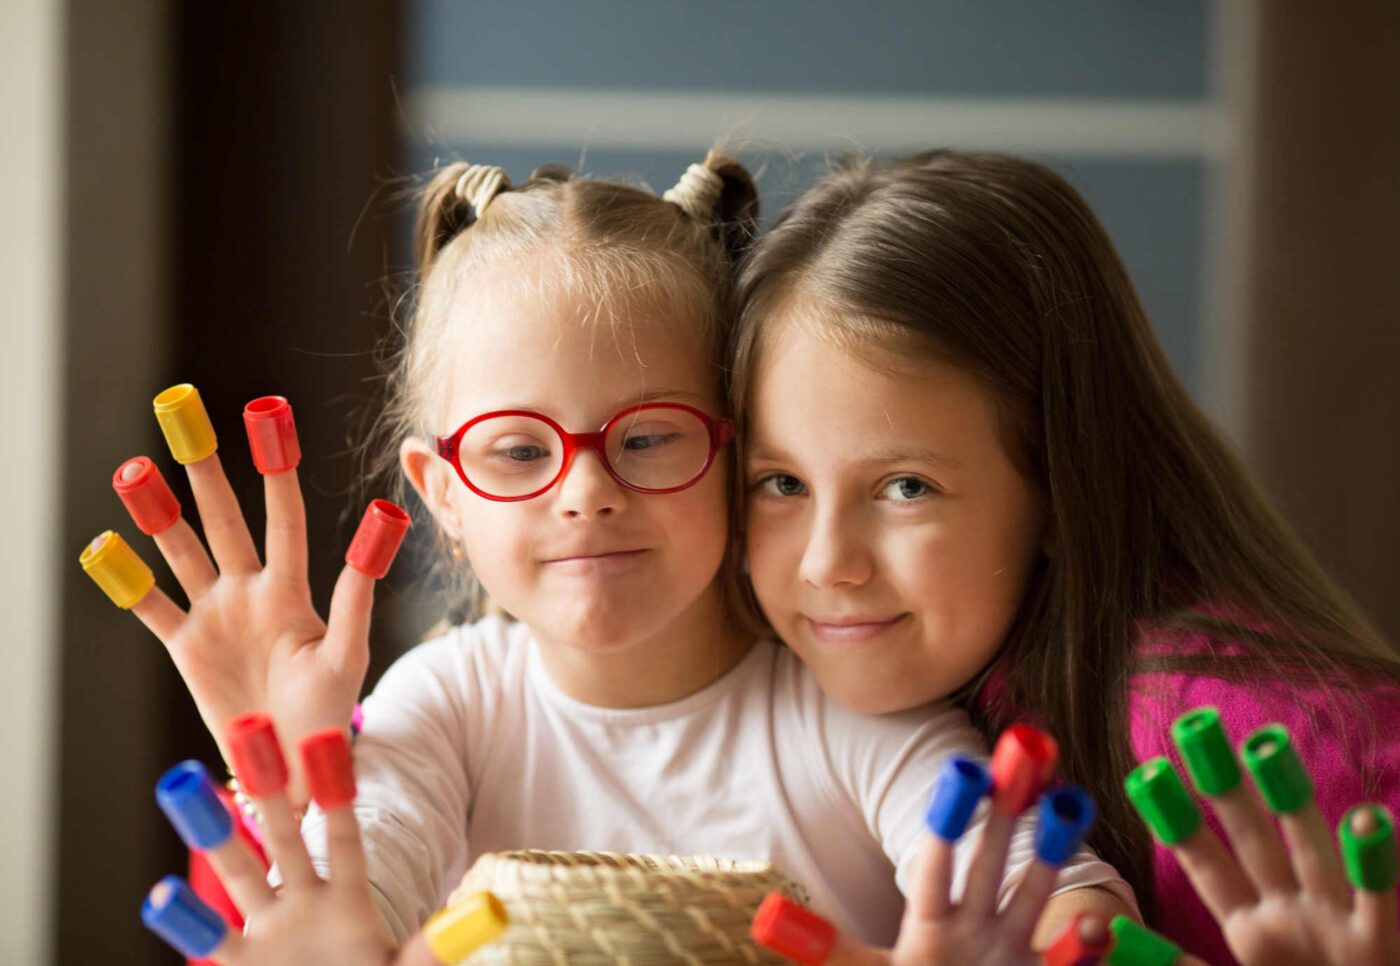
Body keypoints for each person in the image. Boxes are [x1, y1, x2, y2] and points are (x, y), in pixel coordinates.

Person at [84, 150, 1131, 951]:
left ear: (731, 453)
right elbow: (347, 898)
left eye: (645, 439)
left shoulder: (850, 720)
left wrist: (1039, 942)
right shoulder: (446, 706)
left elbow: (1060, 893)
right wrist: (295, 787)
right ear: (440, 494)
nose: (586, 492)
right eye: (515, 450)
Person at [730, 148, 1400, 964]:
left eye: (907, 487)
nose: (827, 563)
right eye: (781, 483)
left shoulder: (1273, 753)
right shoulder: (799, 688)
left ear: (1059, 486)